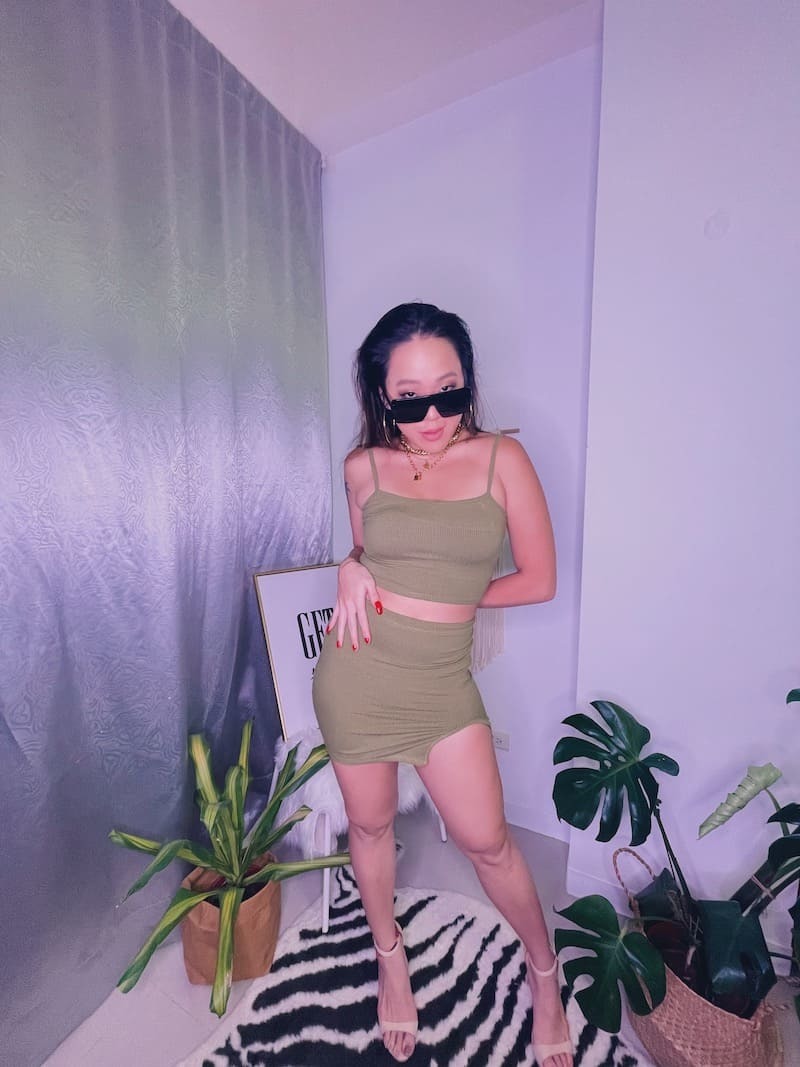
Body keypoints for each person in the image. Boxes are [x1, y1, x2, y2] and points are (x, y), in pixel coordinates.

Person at [312, 302, 571, 1066]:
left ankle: (544, 971)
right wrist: (349, 567)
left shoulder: (502, 460)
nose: (432, 416)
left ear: (468, 384)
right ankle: (390, 958)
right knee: (369, 828)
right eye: (410, 399)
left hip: (441, 684)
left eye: (449, 393)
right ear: (381, 395)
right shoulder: (362, 468)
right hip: (357, 674)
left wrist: (450, 599)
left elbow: (540, 578)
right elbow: (368, 558)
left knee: (488, 842)